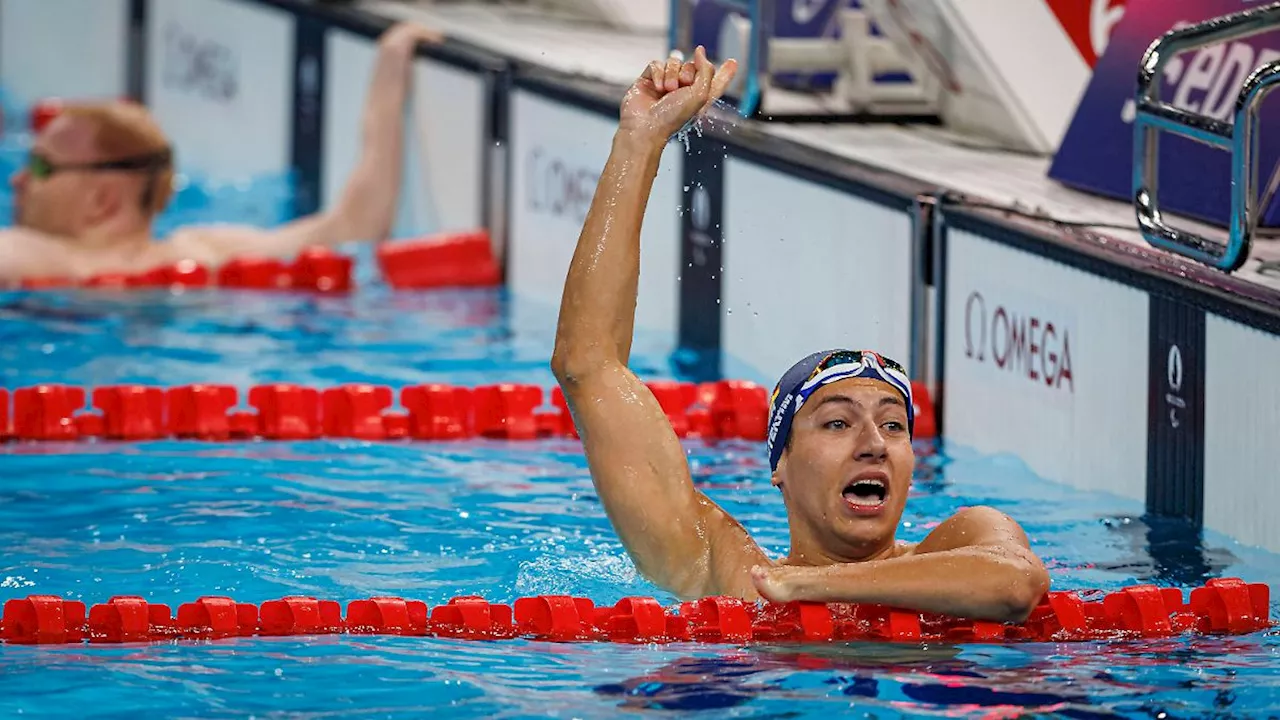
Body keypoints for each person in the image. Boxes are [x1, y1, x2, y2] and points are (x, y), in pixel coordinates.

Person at [550, 46, 1050, 623]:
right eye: (837, 422)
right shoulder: (727, 570)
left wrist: (814, 586)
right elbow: (587, 365)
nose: (874, 443)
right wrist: (638, 141)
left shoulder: (964, 537)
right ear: (779, 464)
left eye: (893, 424)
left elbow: (1016, 584)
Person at [0, 21, 443, 287]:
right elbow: (355, 231)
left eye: (40, 167)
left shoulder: (27, 256)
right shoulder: (207, 259)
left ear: (103, 199)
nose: (17, 180)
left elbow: (354, 226)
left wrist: (388, 70)